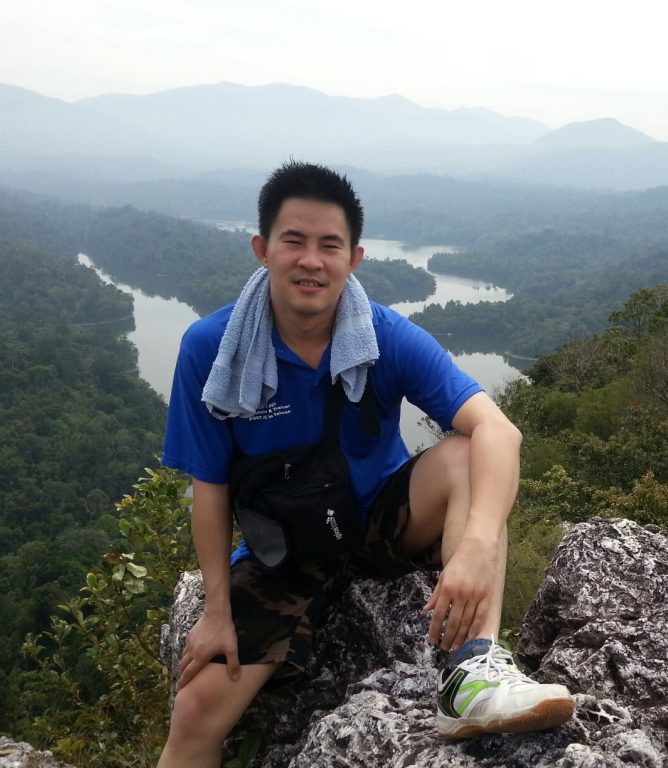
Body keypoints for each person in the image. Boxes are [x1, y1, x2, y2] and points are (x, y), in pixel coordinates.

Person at [156, 162, 573, 766]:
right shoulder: (213, 349)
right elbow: (211, 487)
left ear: (354, 258)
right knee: (194, 714)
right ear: (262, 249)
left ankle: (473, 674)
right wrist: (217, 612)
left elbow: (498, 431)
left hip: (380, 522)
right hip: (287, 549)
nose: (311, 260)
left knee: (465, 457)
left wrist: (479, 544)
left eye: (330, 245)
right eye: (293, 241)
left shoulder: (383, 336)